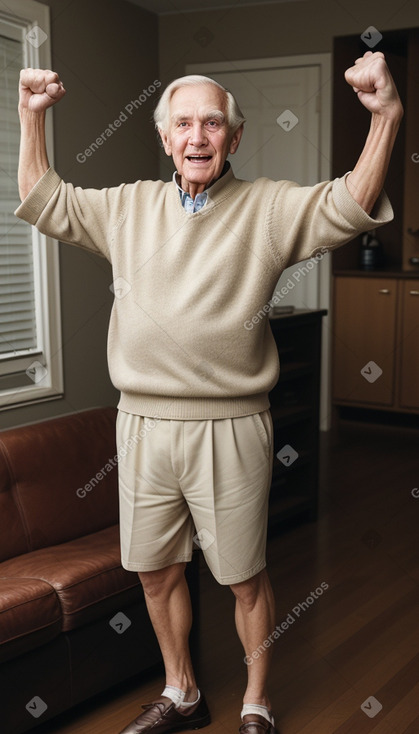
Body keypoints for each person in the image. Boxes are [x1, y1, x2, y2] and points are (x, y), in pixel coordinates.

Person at [15, 51, 402, 734]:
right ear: (164, 137)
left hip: (231, 426)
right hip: (141, 425)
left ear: (234, 137)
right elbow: (45, 199)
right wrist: (31, 115)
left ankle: (256, 701)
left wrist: (385, 119)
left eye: (213, 124)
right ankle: (182, 691)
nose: (197, 137)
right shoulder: (127, 207)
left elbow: (352, 202)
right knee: (156, 573)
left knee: (242, 577)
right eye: (184, 124)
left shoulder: (269, 208)